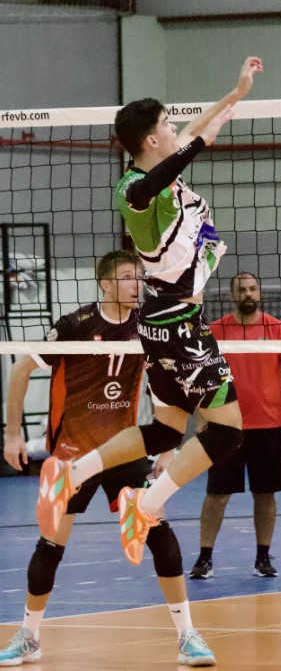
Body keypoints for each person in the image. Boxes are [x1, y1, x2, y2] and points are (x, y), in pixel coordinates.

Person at [36, 57, 263, 569]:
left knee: (164, 432)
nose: (174, 127)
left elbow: (193, 132)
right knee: (227, 432)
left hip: (167, 320)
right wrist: (197, 145)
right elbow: (153, 180)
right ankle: (147, 503)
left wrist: (234, 95)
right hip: (176, 323)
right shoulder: (133, 191)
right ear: (150, 139)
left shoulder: (165, 166)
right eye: (166, 123)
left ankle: (73, 474)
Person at [0, 250, 215, 667]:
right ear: (105, 283)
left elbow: (170, 387)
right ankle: (29, 636)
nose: (138, 284)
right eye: (129, 277)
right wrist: (12, 435)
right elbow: (20, 370)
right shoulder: (76, 325)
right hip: (72, 454)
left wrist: (167, 450)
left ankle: (187, 636)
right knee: (50, 545)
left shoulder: (148, 326)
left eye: (140, 277)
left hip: (125, 450)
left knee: (159, 531)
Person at [190, 272, 281, 580]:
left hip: (268, 426)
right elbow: (201, 377)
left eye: (253, 288)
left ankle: (262, 557)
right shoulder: (215, 331)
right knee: (217, 494)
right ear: (232, 296)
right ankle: (204, 558)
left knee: (265, 494)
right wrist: (201, 416)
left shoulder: (277, 329)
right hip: (224, 425)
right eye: (242, 289)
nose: (248, 293)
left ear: (259, 293)